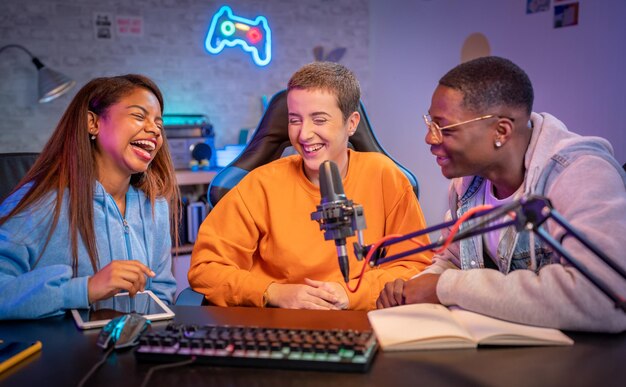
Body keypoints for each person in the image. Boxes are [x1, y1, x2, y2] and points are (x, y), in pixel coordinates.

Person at [377, 56, 626, 333]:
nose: (430, 139)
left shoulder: (581, 175)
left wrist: (443, 287)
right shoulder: (466, 184)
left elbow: (604, 302)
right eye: (429, 125)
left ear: (501, 131)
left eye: (444, 128)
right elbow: (453, 259)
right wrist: (417, 285)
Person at [189, 62, 432, 310]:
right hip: (280, 325)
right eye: (295, 120)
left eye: (319, 119)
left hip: (360, 322)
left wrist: (349, 293)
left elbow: (415, 265)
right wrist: (272, 292)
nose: (304, 134)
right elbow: (206, 269)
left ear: (351, 123)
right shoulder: (259, 185)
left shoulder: (385, 177)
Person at [0, 74, 179, 319]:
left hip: (136, 351)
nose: (154, 130)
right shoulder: (42, 203)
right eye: (139, 116)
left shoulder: (154, 207)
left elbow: (162, 292)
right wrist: (85, 289)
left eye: (159, 124)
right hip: (64, 353)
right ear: (92, 123)